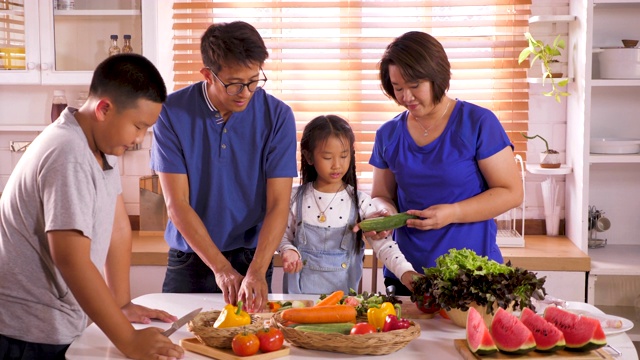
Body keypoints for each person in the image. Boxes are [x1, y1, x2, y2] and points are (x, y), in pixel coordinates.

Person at [0, 54, 184, 360]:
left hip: (53, 324)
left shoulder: (100, 145)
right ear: (104, 109)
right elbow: (71, 258)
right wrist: (130, 341)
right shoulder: (68, 152)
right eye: (138, 126)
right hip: (25, 333)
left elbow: (118, 227)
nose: (140, 139)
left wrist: (122, 303)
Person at [360, 31, 524, 296]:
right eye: (397, 87)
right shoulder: (388, 134)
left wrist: (452, 213)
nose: (406, 96)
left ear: (437, 76)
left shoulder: (478, 123)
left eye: (414, 86)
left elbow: (512, 192)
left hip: (473, 276)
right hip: (407, 273)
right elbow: (381, 195)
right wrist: (385, 214)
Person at [150, 21, 297, 312]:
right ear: (208, 75)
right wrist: (220, 268)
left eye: (254, 80)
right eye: (234, 83)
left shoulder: (278, 116)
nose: (246, 92)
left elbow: (279, 203)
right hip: (189, 258)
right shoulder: (171, 113)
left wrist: (256, 271)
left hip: (253, 259)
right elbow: (176, 202)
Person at [278, 115, 414, 294]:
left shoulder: (361, 203)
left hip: (343, 307)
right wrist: (288, 250)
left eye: (344, 156)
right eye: (327, 157)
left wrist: (406, 272)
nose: (337, 165)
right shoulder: (295, 198)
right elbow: (281, 235)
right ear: (309, 157)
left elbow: (385, 246)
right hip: (298, 304)